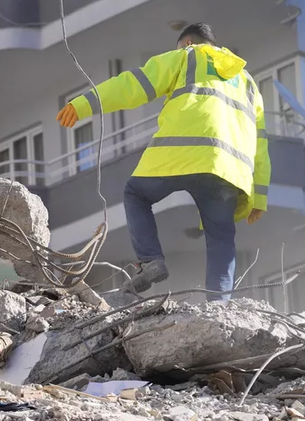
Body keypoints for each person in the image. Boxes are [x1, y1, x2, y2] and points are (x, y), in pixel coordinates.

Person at [57, 22, 269, 300]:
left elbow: (133, 85)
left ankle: (151, 261)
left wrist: (83, 104)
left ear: (188, 44)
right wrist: (260, 197)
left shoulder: (187, 56)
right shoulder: (248, 83)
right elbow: (261, 145)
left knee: (135, 194)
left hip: (180, 153)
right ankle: (219, 305)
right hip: (228, 170)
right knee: (221, 241)